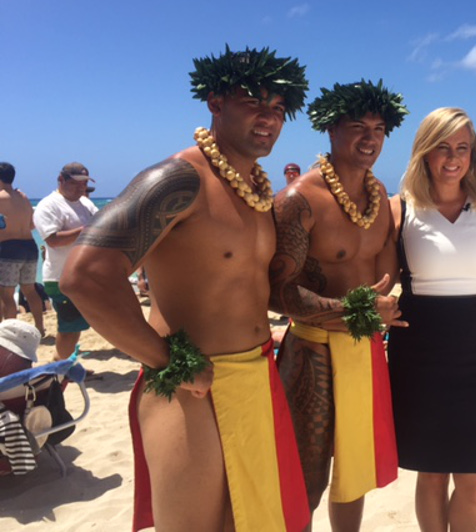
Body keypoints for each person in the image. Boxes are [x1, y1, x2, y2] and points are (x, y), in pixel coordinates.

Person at [60, 46, 311, 531]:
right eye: (253, 102)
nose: (269, 118)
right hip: (192, 385)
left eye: (278, 109)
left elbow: (240, 282)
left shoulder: (257, 189)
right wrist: (165, 360)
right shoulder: (179, 178)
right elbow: (85, 277)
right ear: (215, 102)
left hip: (256, 374)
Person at [269, 79, 407, 531]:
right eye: (357, 127)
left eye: (379, 129)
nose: (370, 139)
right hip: (312, 352)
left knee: (355, 476)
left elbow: (386, 277)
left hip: (365, 351)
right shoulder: (298, 200)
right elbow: (278, 292)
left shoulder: (378, 196)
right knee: (306, 479)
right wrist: (358, 312)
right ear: (329, 130)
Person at [388, 107, 476, 531]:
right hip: (420, 349)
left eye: (462, 148)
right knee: (432, 470)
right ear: (424, 152)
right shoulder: (400, 208)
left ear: (473, 154)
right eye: (443, 147)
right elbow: (377, 276)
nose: (453, 157)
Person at [32, 162, 98, 360]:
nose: (81, 188)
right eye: (77, 183)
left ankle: (67, 363)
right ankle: (60, 365)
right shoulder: (48, 205)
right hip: (60, 277)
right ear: (61, 180)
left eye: (84, 183)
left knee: (76, 324)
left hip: (83, 275)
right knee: (68, 326)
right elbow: (53, 240)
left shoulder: (86, 203)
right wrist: (85, 231)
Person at [0, 163, 45, 335]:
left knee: (6, 294)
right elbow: (32, 223)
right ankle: (40, 327)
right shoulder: (23, 196)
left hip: (9, 249)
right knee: (30, 290)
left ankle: (10, 332)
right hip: (29, 247)